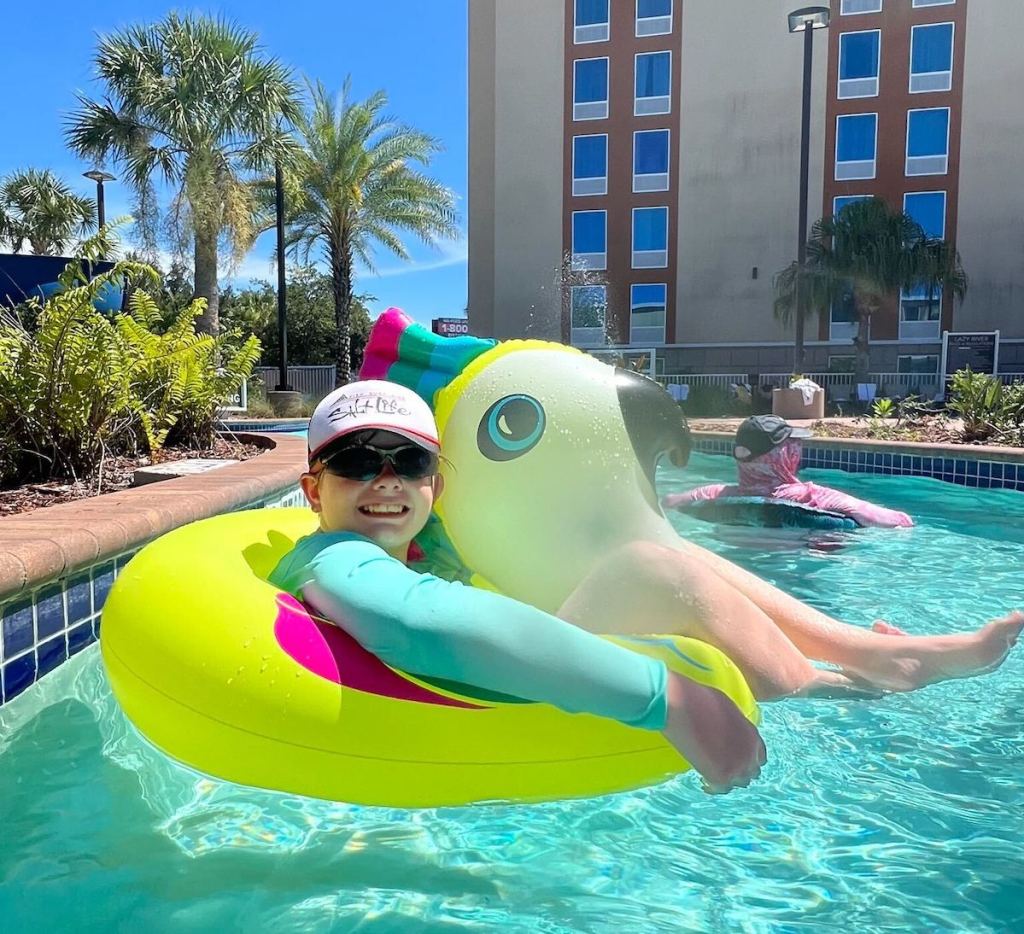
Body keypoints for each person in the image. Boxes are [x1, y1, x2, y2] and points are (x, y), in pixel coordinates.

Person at [269, 380, 766, 794]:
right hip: (436, 752)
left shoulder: (416, 556)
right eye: (357, 461)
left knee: (653, 568)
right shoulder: (332, 558)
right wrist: (669, 698)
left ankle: (818, 678)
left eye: (411, 462)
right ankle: (813, 684)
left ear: (435, 487)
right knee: (651, 572)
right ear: (313, 490)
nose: (386, 479)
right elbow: (416, 621)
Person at [663, 415, 914, 528]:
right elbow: (900, 522)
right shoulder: (815, 498)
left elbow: (667, 502)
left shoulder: (714, 495)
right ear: (783, 454)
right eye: (792, 444)